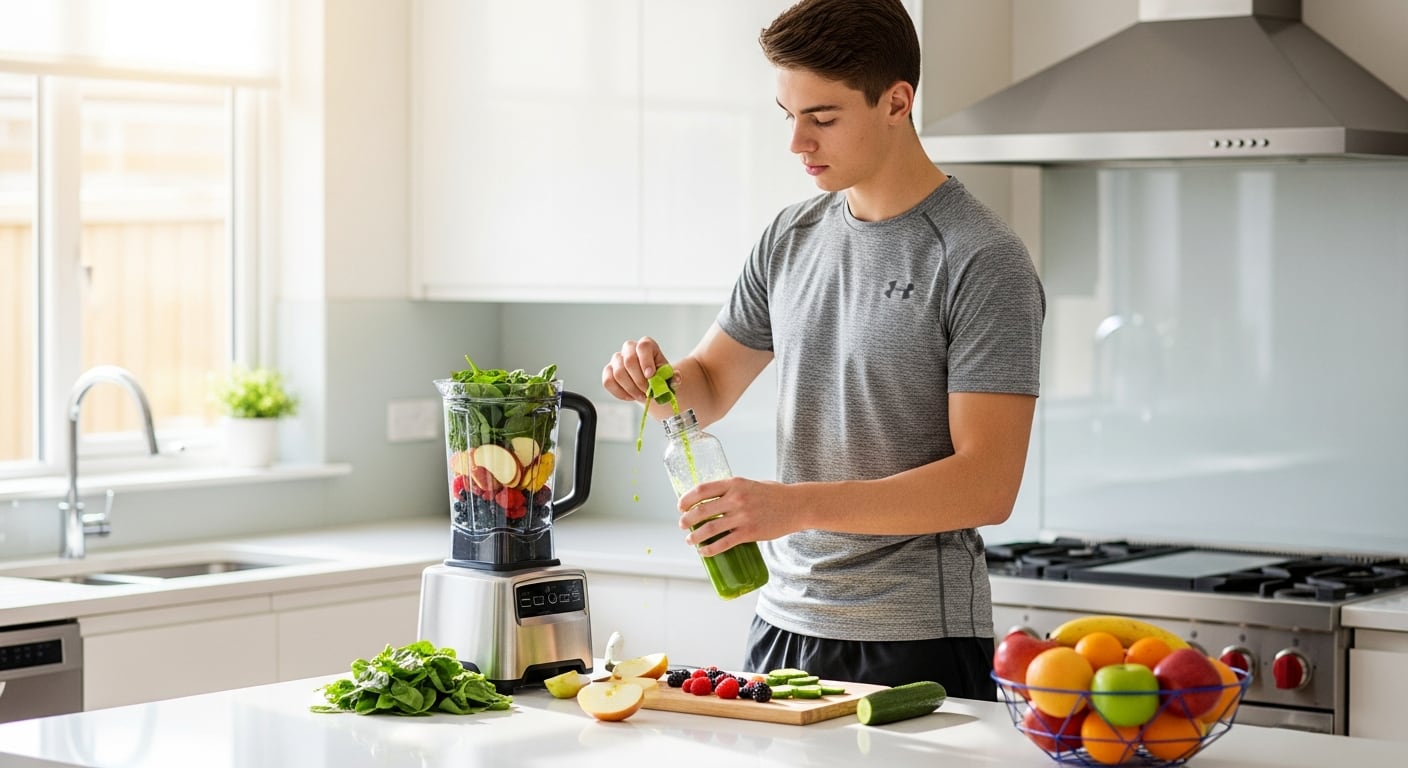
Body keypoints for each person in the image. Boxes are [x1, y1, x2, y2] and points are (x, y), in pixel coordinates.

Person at [601, 0, 1044, 700]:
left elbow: (987, 486)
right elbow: (709, 385)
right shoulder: (791, 236)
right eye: (789, 115)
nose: (797, 143)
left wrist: (795, 506)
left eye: (823, 117)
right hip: (781, 624)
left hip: (917, 638)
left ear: (897, 101)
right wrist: (654, 379)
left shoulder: (980, 258)